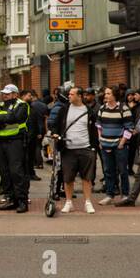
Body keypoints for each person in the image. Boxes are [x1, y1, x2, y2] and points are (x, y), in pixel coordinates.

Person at [53, 84, 97, 213]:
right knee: (68, 178)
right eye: (69, 94)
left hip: (86, 148)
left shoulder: (89, 111)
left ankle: (88, 202)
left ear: (80, 96)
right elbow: (55, 125)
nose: (69, 96)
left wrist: (93, 147)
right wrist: (56, 133)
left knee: (87, 178)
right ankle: (68, 202)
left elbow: (94, 129)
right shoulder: (64, 109)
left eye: (72, 94)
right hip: (68, 149)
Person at [0, 84, 31, 212]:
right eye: (4, 93)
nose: (4, 95)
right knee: (5, 172)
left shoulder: (22, 105)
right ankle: (10, 198)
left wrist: (0, 119)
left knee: (17, 172)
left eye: (7, 93)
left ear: (15, 94)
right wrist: (4, 119)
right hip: (2, 142)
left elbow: (16, 118)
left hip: (16, 141)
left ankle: (22, 201)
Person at [96, 86, 133, 204]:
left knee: (123, 170)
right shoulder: (102, 108)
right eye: (105, 93)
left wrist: (122, 143)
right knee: (108, 171)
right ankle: (109, 195)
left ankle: (125, 195)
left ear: (114, 95)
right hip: (105, 144)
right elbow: (99, 126)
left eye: (108, 93)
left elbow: (129, 128)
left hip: (119, 146)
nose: (105, 95)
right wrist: (100, 140)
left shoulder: (124, 108)